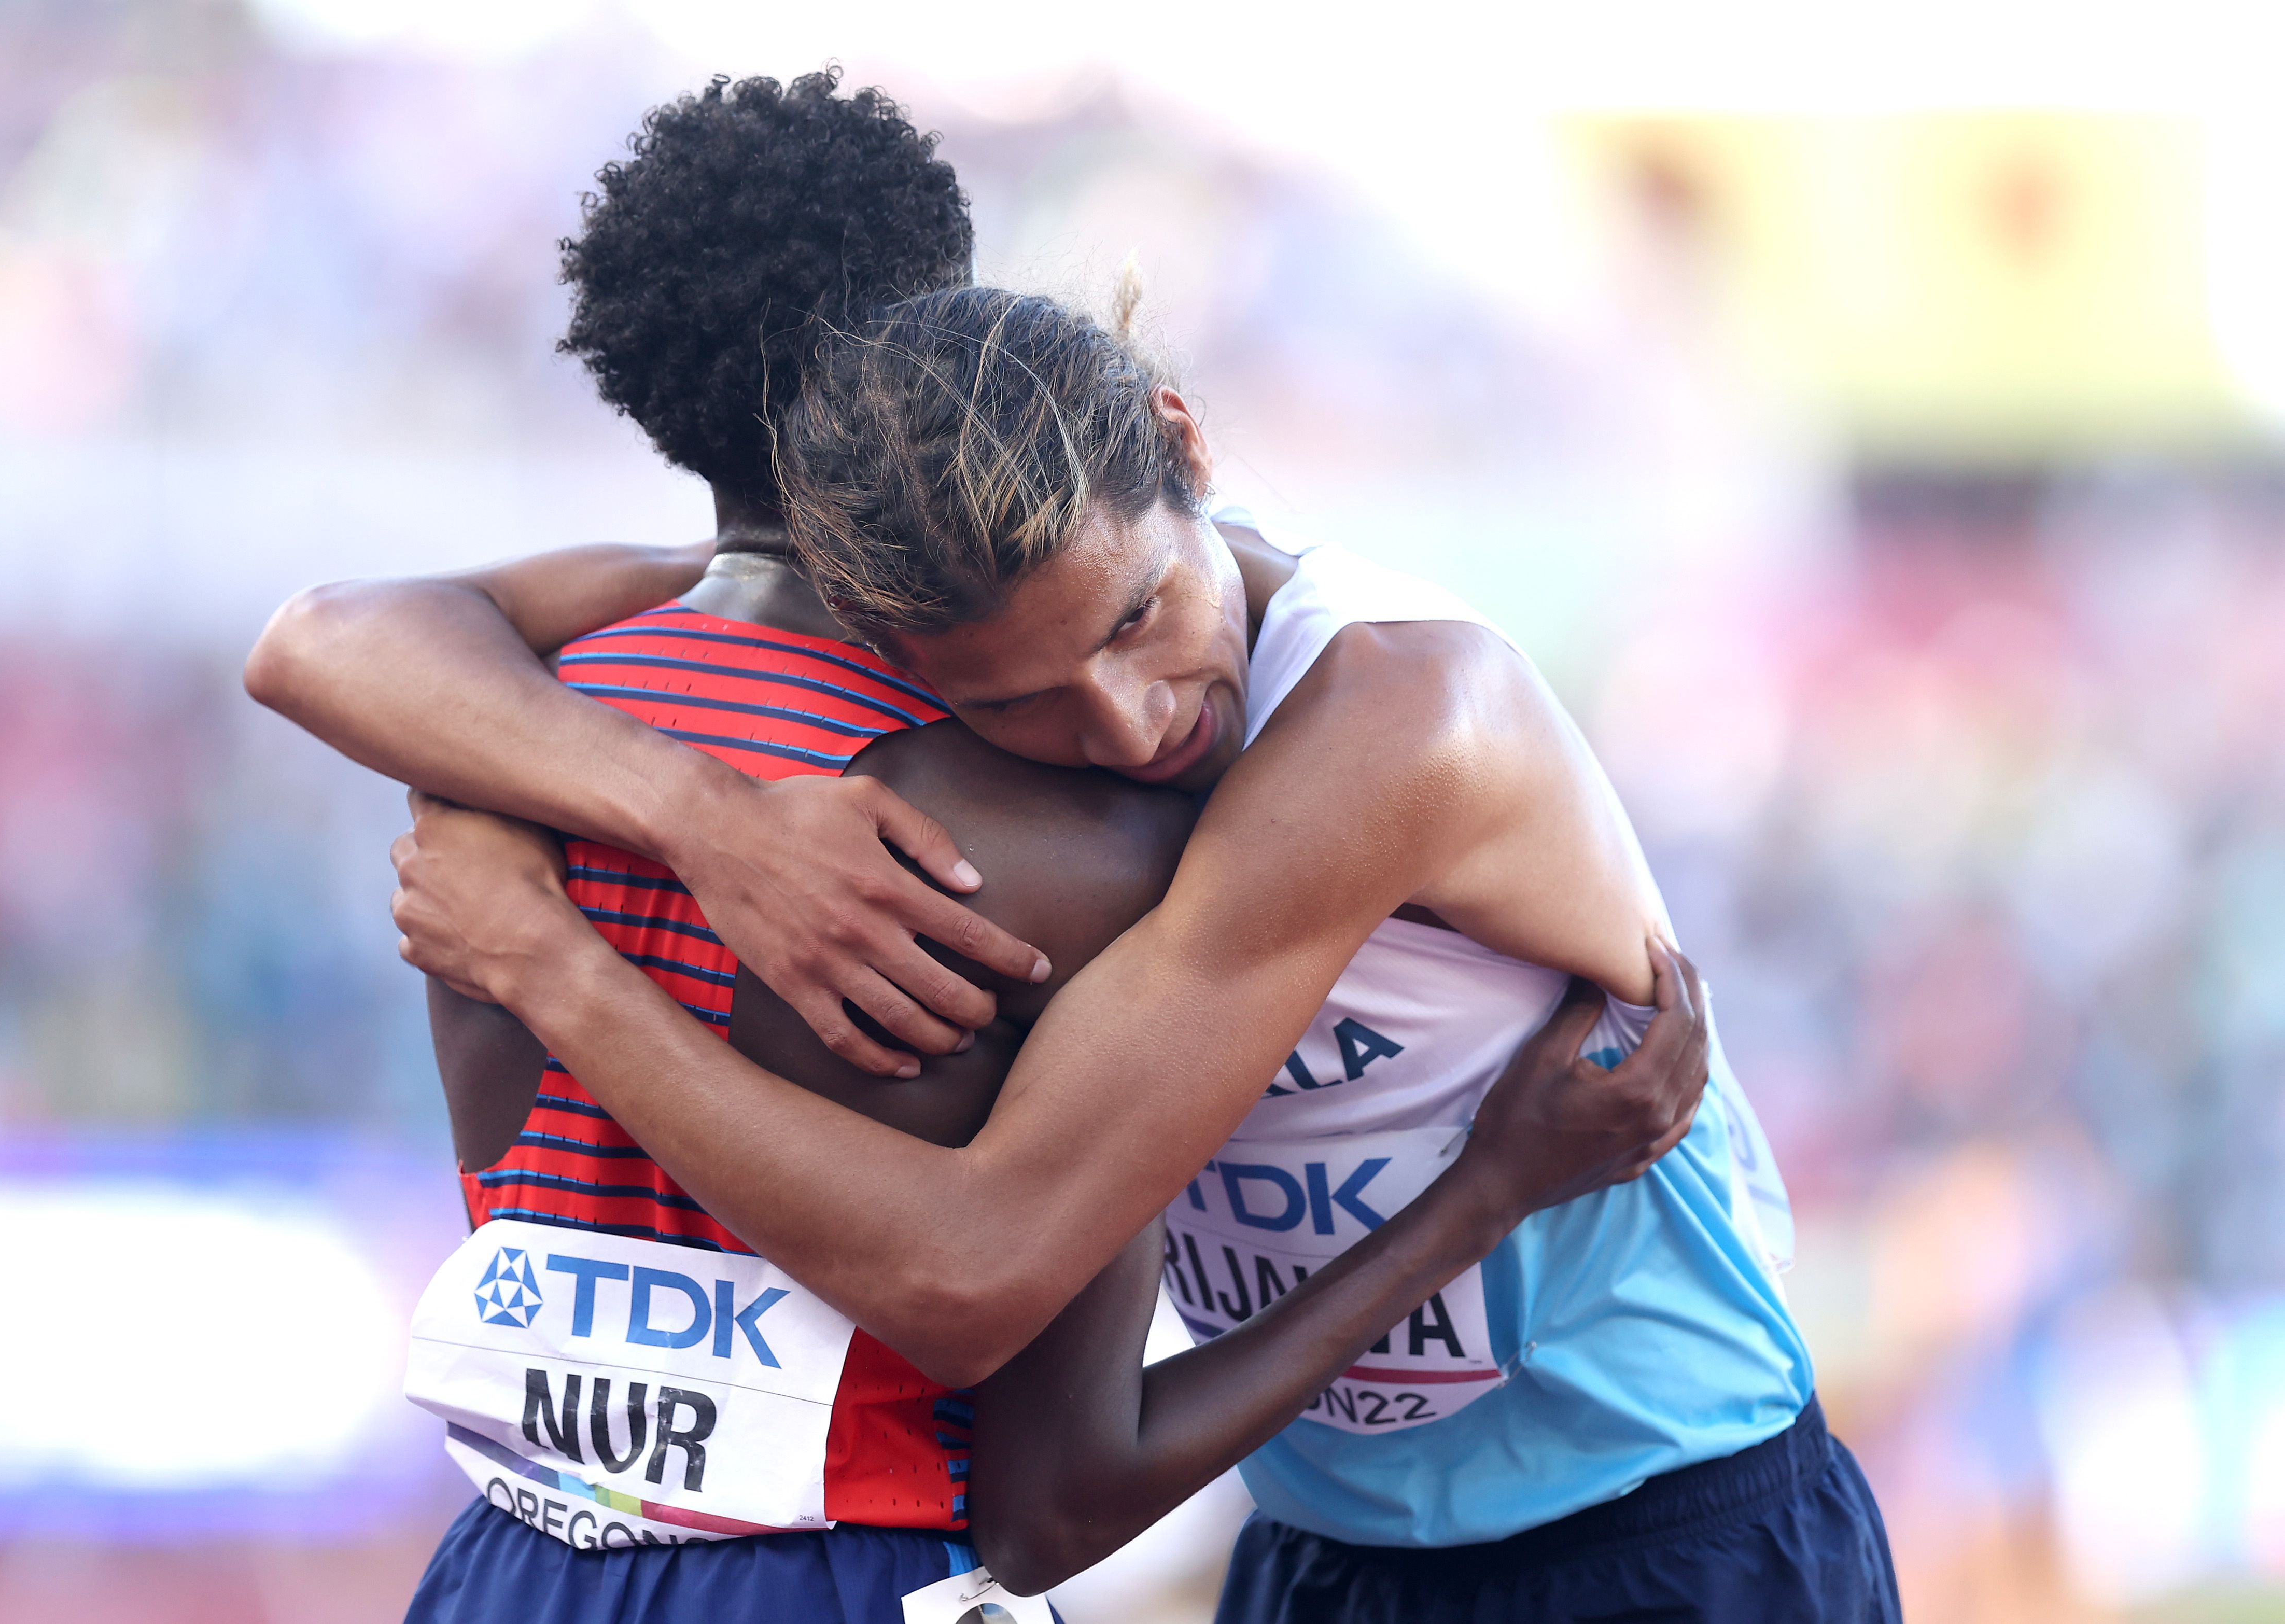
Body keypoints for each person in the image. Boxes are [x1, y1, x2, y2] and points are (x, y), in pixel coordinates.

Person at [252, 110, 1897, 1624]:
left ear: (1180, 442)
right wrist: (705, 816)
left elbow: (976, 1280)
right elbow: (324, 637)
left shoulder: (1395, 717)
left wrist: (550, 956)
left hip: (1660, 1519)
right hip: (1320, 1543)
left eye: (1137, 624)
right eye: (1016, 700)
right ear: (871, 604)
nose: (1123, 726)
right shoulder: (942, 662)